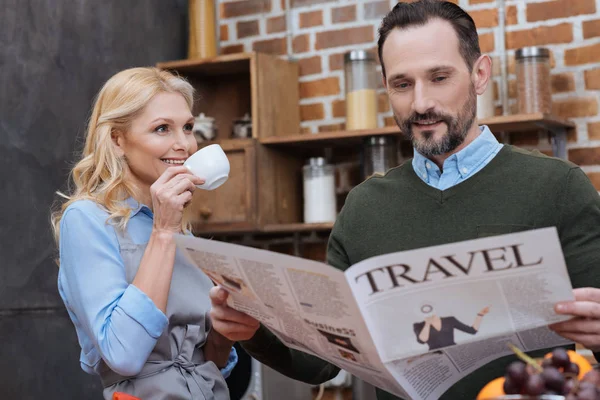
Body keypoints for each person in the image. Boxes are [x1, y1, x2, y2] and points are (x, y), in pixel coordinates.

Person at [208, 1, 600, 399]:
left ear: (480, 74)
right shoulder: (365, 208)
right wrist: (253, 329)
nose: (420, 103)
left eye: (439, 77)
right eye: (402, 84)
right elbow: (321, 361)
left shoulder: (557, 187)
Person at [50, 67, 237, 400]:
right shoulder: (87, 219)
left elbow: (210, 362)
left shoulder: (179, 226)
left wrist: (227, 331)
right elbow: (123, 354)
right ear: (117, 140)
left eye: (188, 127)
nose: (184, 144)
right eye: (162, 128)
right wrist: (163, 232)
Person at [413, 305, 490, 350]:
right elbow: (422, 341)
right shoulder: (418, 325)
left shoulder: (450, 320)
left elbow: (472, 331)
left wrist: (480, 315)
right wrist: (427, 323)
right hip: (435, 355)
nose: (428, 312)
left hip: (453, 351)